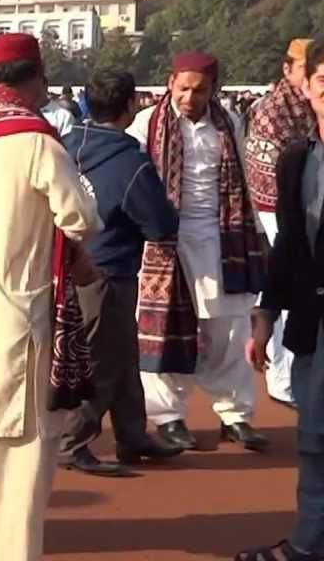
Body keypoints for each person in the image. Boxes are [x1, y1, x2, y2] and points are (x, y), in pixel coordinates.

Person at [0, 34, 102, 561]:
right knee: (24, 459)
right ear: (34, 76)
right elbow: (81, 216)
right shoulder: (37, 140)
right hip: (31, 310)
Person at [128, 51, 269, 452]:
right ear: (171, 83)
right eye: (184, 88)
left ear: (213, 90)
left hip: (222, 236)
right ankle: (169, 416)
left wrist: (257, 232)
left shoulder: (229, 122)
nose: (190, 97)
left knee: (228, 329)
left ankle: (235, 414)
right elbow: (135, 181)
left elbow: (243, 177)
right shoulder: (146, 124)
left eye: (199, 89)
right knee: (163, 331)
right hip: (163, 242)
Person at [58, 70, 185, 477]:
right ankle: (72, 440)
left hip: (69, 265)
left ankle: (132, 434)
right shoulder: (129, 161)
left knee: (122, 354)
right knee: (103, 360)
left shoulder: (67, 146)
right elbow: (160, 223)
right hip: (108, 270)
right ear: (131, 105)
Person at [240, 38, 324, 561]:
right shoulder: (297, 159)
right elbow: (290, 242)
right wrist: (266, 313)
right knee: (314, 438)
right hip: (314, 318)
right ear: (308, 86)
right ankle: (307, 544)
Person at [245, 38, 317, 409]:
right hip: (280, 206)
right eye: (306, 69)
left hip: (304, 203)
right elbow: (277, 173)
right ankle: (282, 379)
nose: (310, 78)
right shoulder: (275, 110)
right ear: (287, 70)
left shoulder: (306, 104)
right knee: (288, 287)